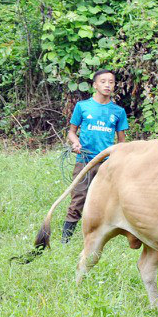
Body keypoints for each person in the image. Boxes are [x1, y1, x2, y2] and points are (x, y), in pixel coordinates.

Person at [62, 69, 128, 243]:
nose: (107, 85)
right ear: (95, 85)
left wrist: (121, 160)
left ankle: (103, 235)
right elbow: (71, 132)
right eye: (103, 81)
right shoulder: (83, 107)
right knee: (78, 198)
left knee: (109, 200)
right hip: (85, 160)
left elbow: (121, 141)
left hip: (108, 163)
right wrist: (75, 143)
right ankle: (65, 240)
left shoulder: (118, 111)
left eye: (111, 82)